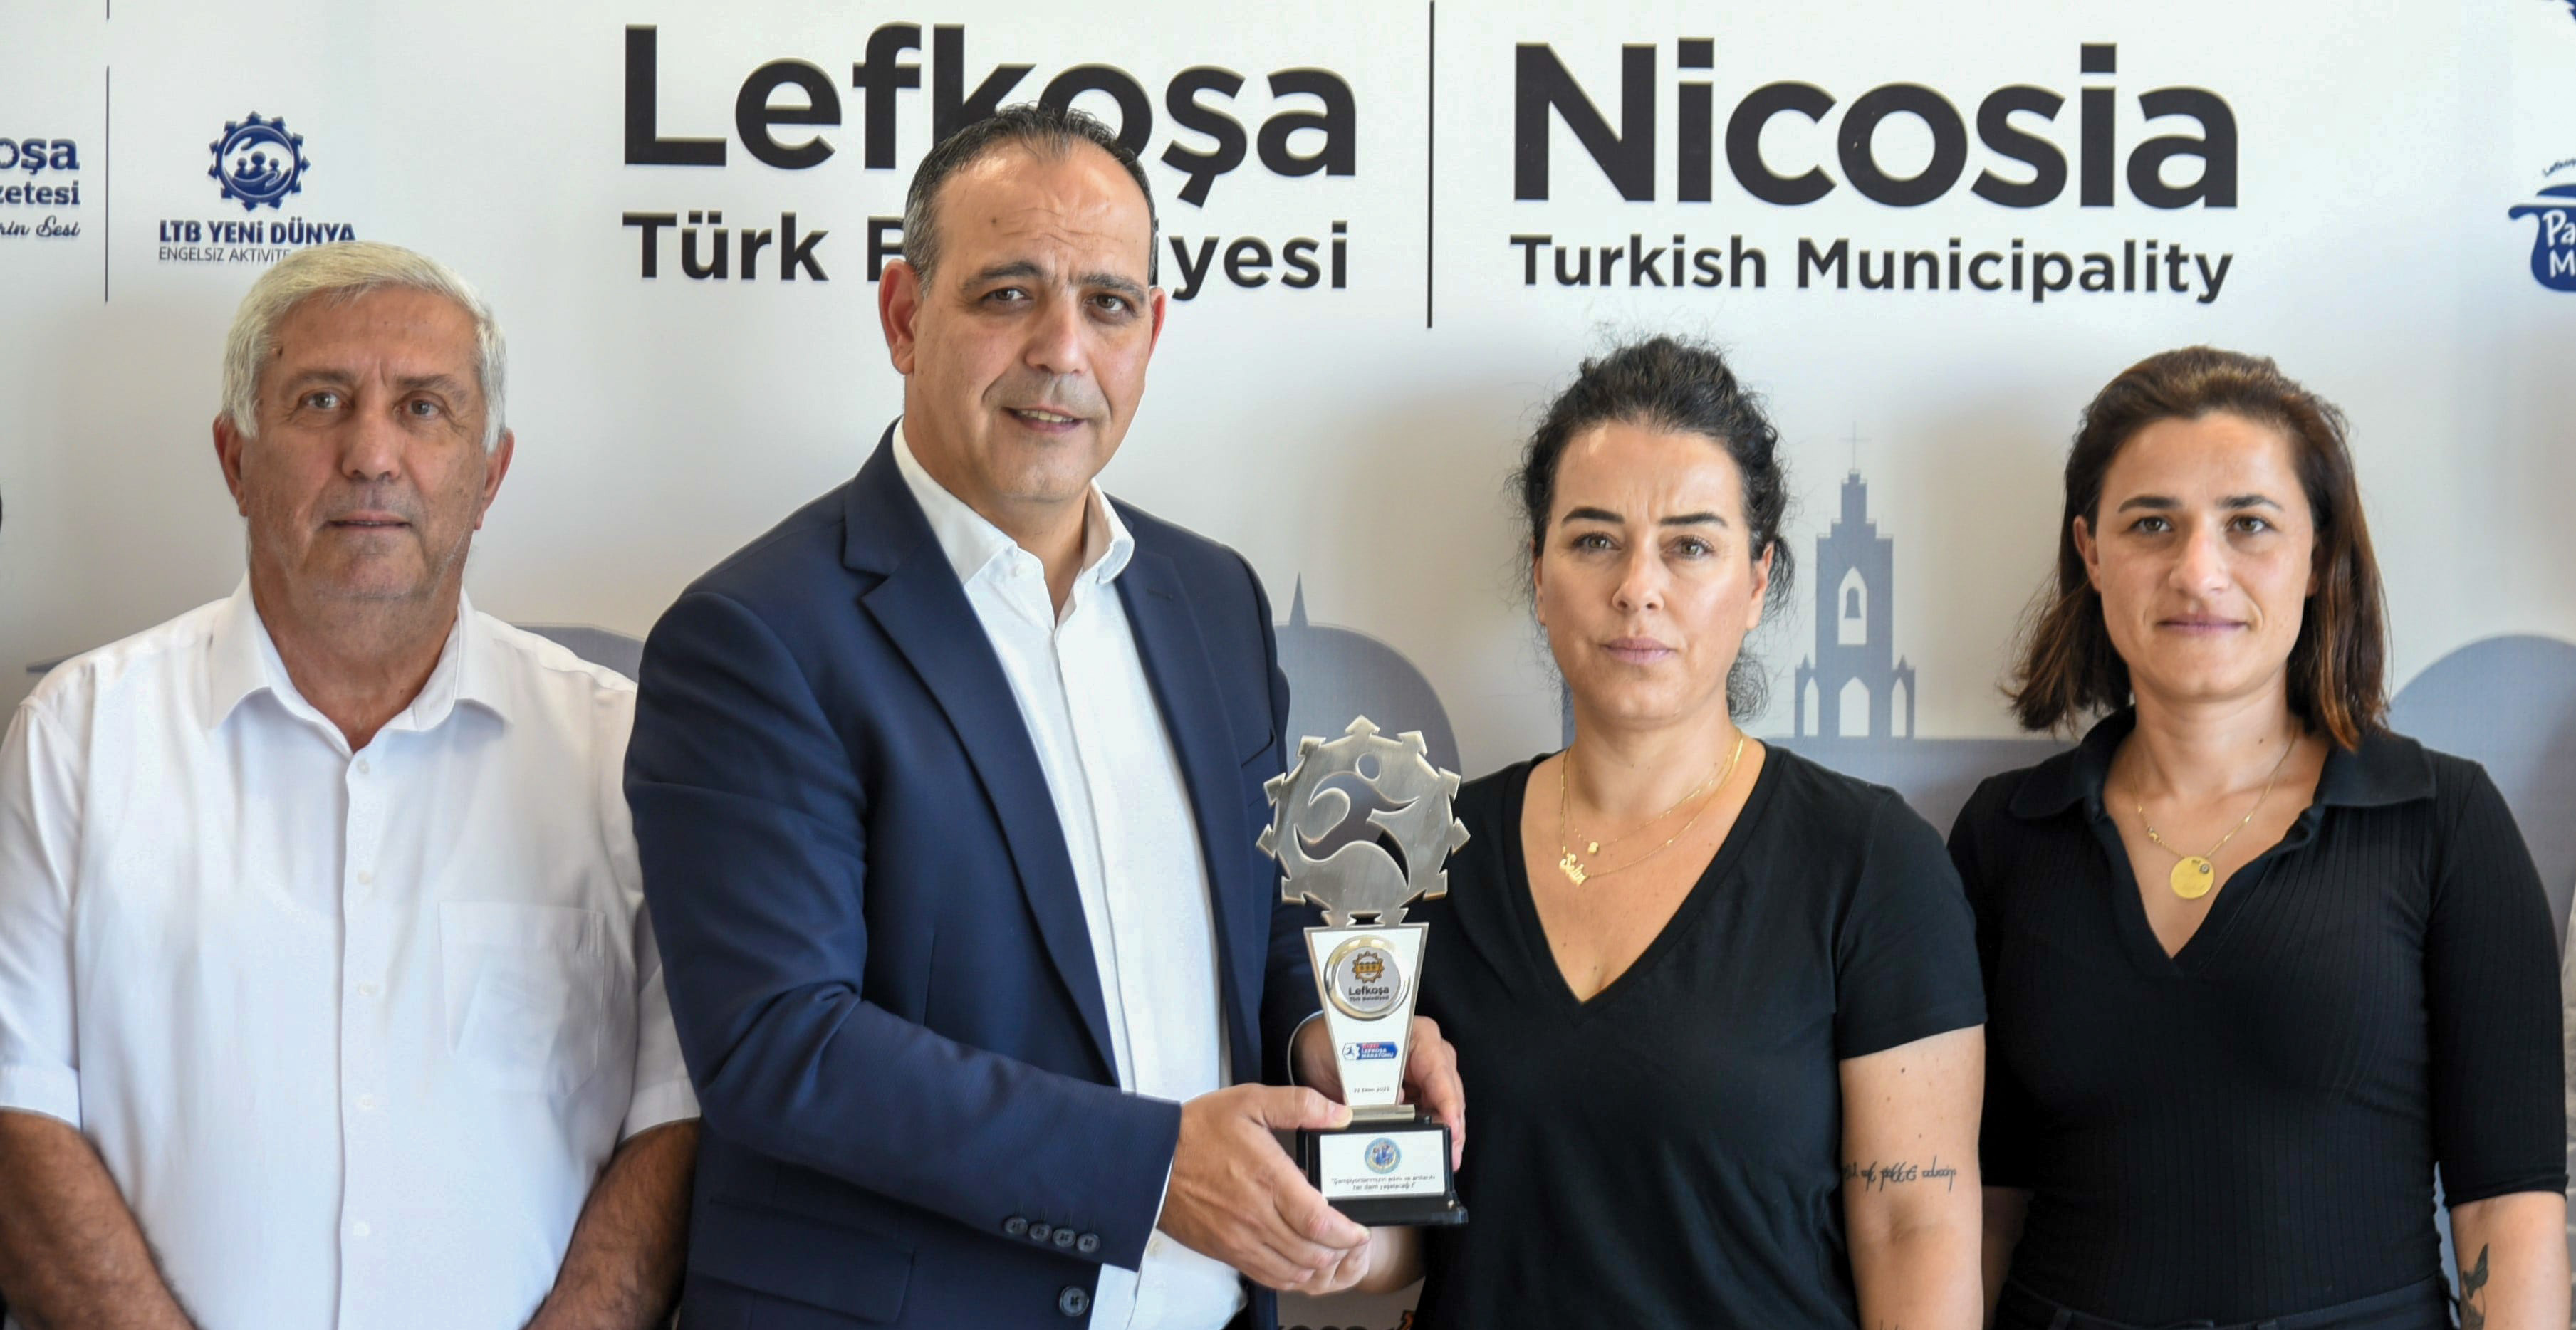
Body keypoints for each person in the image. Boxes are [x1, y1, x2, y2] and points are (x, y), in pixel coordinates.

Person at [623, 103, 1464, 1330]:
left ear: (1150, 334)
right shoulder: (756, 635)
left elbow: (1258, 929)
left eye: (1107, 305)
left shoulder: (1211, 601)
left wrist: (1325, 1040)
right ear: (904, 316)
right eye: (1008, 294)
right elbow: (782, 1046)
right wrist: (1153, 1169)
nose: (1061, 349)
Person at [0, 241, 700, 1329]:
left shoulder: (617, 752)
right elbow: (17, 1111)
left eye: (424, 409)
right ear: (236, 460)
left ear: (490, 475)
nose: (372, 455)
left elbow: (676, 1119)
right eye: (321, 401)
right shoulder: (79, 738)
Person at [1362, 336, 1988, 1328]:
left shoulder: (1871, 863)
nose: (1637, 588)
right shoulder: (1429, 852)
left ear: (1757, 581)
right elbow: (1397, 1247)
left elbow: (1915, 1227)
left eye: (1690, 546)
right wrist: (1331, 1217)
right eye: (1593, 540)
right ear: (1539, 575)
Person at [1956, 347, 2569, 1330]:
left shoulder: (2441, 822)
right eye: (2151, 524)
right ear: (2091, 552)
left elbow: (2507, 1206)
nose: (2198, 572)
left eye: (2248, 524)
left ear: (2318, 556)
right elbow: (1982, 1206)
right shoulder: (2005, 836)